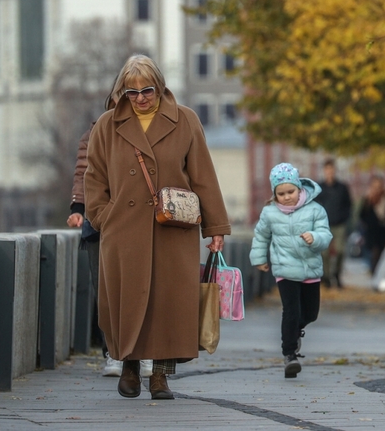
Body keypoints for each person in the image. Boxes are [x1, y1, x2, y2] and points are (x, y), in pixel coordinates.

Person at [85, 54, 230, 400]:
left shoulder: (186, 121)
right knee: (127, 301)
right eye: (131, 93)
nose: (140, 99)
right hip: (124, 232)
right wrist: (104, 217)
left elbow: (203, 177)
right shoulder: (106, 126)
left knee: (169, 303)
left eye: (146, 90)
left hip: (173, 231)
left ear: (160, 86)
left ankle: (161, 379)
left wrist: (216, 228)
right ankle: (130, 368)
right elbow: (94, 179)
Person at [66, 88, 153, 380]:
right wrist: (81, 208)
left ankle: (144, 353)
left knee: (144, 289)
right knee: (106, 290)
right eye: (126, 95)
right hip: (100, 221)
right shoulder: (96, 131)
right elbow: (84, 172)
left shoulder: (152, 129)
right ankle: (113, 353)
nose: (133, 102)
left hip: (140, 221)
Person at [250, 162, 332, 378]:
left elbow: (326, 235)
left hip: (310, 269)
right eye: (281, 193)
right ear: (274, 194)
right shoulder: (269, 213)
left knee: (311, 313)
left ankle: (295, 332)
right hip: (284, 269)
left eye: (290, 192)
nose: (286, 197)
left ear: (299, 188)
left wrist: (314, 238)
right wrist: (259, 258)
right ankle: (289, 355)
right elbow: (261, 236)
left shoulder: (315, 210)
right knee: (291, 310)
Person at [314, 159, 352, 288]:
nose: (329, 173)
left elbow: (348, 205)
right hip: (324, 225)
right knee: (324, 253)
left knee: (340, 251)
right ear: (324, 171)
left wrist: (345, 218)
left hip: (339, 224)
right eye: (327, 170)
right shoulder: (319, 188)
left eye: (331, 170)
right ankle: (326, 277)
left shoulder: (342, 187)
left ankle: (337, 274)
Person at [358, 175, 385, 275]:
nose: (377, 189)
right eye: (375, 187)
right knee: (373, 254)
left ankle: (376, 274)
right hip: (371, 232)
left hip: (383, 232)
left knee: (380, 255)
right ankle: (374, 273)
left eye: (379, 186)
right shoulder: (368, 200)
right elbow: (361, 215)